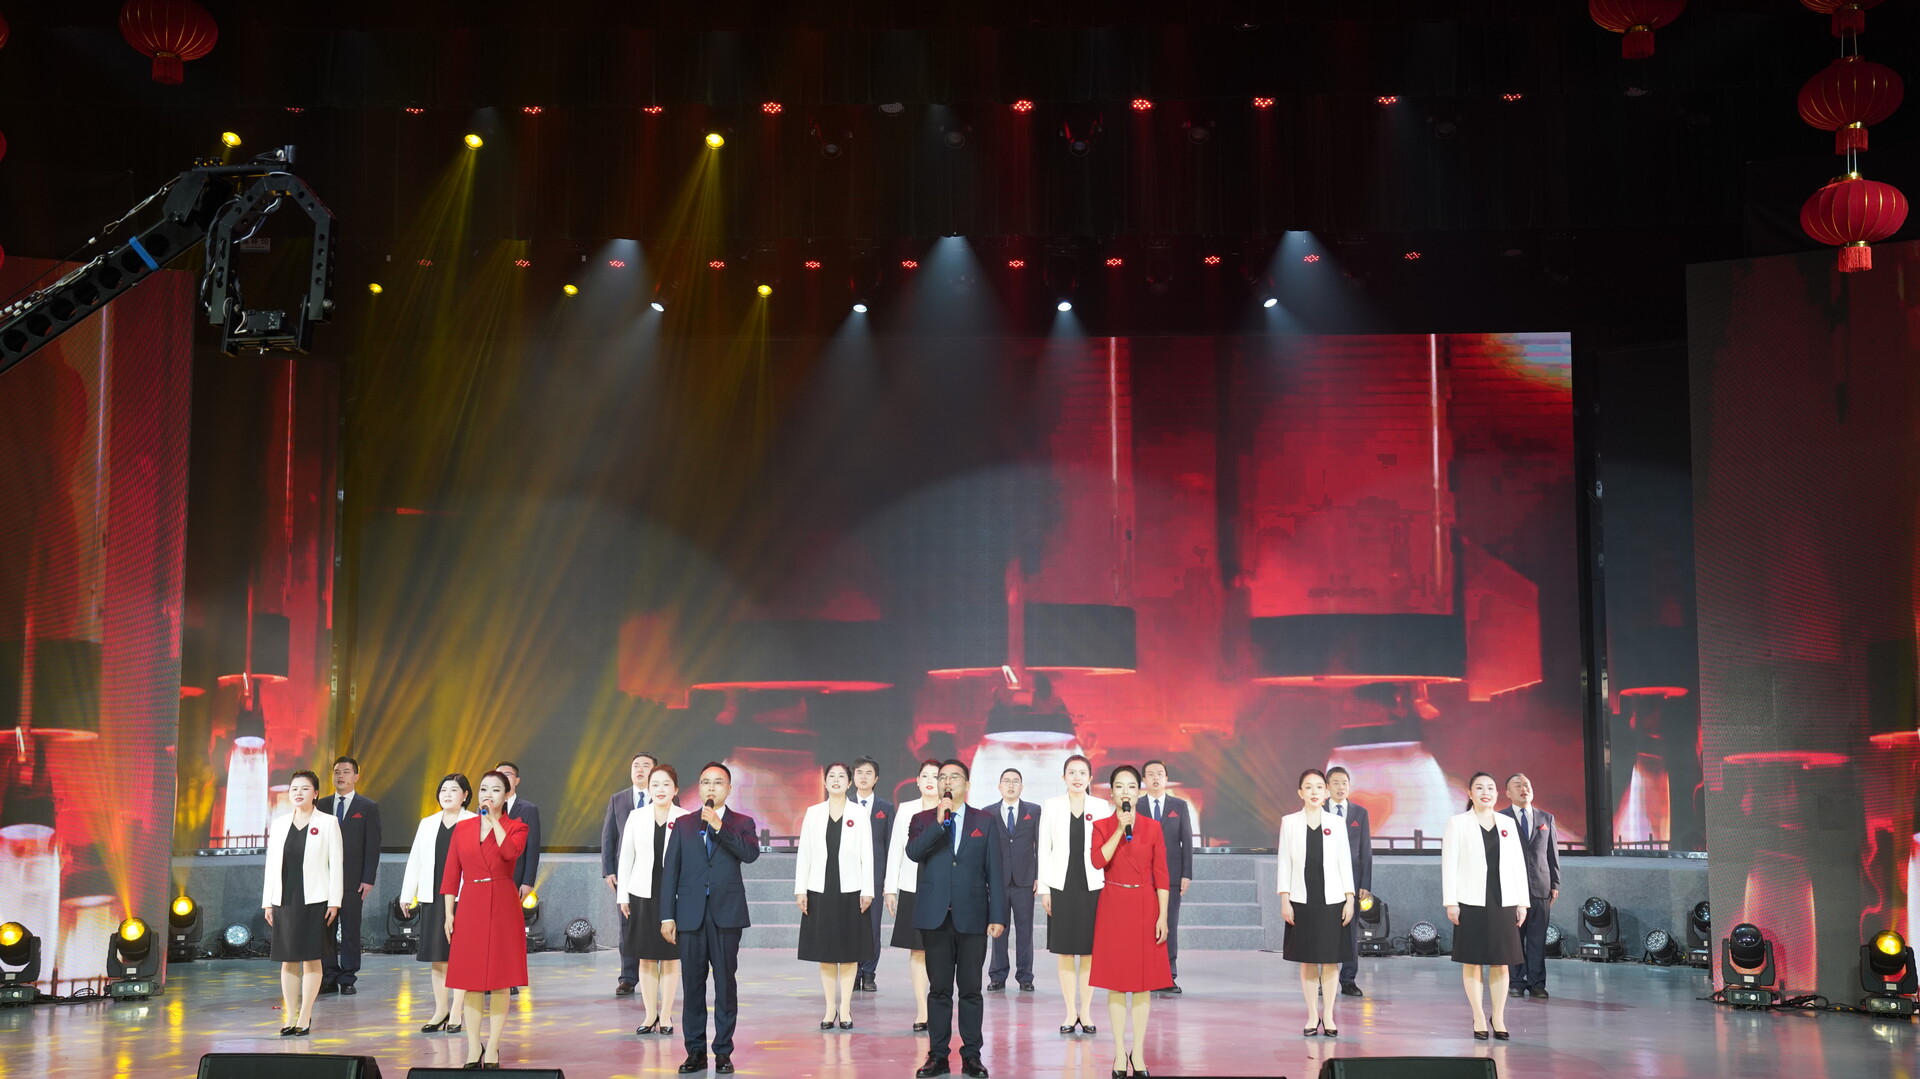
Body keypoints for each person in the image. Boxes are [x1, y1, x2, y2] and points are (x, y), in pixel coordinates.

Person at [660, 762, 760, 1076]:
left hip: (726, 915)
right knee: (692, 986)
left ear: (728, 788)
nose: (711, 788)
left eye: (718, 782)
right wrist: (667, 916)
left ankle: (723, 1052)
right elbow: (670, 872)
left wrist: (719, 826)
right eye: (705, 782)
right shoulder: (683, 824)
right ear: (699, 787)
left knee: (725, 985)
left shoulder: (742, 822)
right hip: (690, 916)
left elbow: (750, 854)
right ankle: (695, 1052)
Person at [906, 759, 1005, 1079]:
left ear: (967, 784)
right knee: (939, 990)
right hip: (935, 917)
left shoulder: (985, 821)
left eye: (954, 777)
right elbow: (914, 853)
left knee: (971, 990)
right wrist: (939, 822)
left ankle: (972, 1055)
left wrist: (998, 915)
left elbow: (995, 870)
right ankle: (937, 1056)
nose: (947, 782)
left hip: (973, 916)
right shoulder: (922, 819)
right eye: (942, 777)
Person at [442, 769, 531, 1069]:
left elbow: (510, 852)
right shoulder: (462, 828)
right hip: (470, 903)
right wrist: (448, 912)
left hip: (503, 903)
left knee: (500, 980)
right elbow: (451, 872)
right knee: (470, 981)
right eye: (483, 789)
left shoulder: (517, 826)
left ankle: (492, 1047)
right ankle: (472, 1047)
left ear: (506, 796)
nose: (487, 795)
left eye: (495, 790)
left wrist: (494, 821)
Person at [1090, 765, 1170, 1078]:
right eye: (1120, 787)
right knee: (1116, 983)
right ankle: (1119, 1053)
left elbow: (1161, 874)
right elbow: (1098, 861)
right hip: (1113, 905)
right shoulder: (1101, 826)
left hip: (1145, 905)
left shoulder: (1153, 827)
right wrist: (1118, 830)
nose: (1126, 792)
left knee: (1142, 984)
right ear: (1111, 793)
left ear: (1139, 792)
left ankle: (1138, 1051)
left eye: (1131, 786)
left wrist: (1162, 915)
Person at [1442, 771, 1529, 1041]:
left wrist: (1522, 902)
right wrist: (1451, 901)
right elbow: (1449, 865)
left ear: (1497, 793)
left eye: (1490, 788)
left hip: (1504, 900)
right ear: (1470, 794)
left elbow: (1518, 865)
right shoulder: (1458, 823)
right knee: (1473, 961)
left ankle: (1498, 1017)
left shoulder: (1507, 823)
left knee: (1502, 962)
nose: (1485, 792)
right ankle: (1479, 1015)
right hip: (1471, 901)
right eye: (1479, 788)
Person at [262, 769, 343, 1037]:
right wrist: (268, 902)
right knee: (288, 959)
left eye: (305, 788)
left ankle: (305, 1014)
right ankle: (290, 1014)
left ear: (316, 793)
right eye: (294, 788)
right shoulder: (279, 824)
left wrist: (335, 901)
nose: (298, 793)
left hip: (315, 899)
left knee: (311, 958)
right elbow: (271, 866)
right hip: (284, 898)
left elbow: (337, 864)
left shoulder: (328, 822)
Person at [1276, 768, 1356, 1038]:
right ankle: (1312, 1015)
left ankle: (1329, 1016)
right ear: (1300, 793)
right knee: (1308, 960)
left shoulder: (1337, 823)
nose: (1314, 792)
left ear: (1326, 792)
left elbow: (1345, 862)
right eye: (1308, 787)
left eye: (1319, 787)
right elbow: (1284, 862)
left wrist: (1349, 898)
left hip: (1332, 900)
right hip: (1302, 900)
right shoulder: (1289, 822)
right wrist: (1285, 899)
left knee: (1331, 960)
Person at [795, 762, 875, 1029]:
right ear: (825, 782)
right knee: (826, 951)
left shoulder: (859, 813)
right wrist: (801, 889)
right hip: (820, 889)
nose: (836, 780)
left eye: (842, 776)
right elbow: (804, 853)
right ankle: (830, 1009)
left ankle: (846, 1008)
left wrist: (867, 890)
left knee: (850, 951)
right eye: (832, 776)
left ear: (849, 783)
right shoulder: (813, 812)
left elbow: (867, 854)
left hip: (851, 889)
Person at [1039, 753, 1111, 1034]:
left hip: (1093, 885)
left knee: (1090, 952)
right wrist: (1044, 888)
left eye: (1082, 773)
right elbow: (1044, 848)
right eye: (1072, 772)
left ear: (1090, 778)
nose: (1077, 778)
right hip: (1061, 885)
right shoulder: (1052, 805)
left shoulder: (1101, 806)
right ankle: (1070, 1012)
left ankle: (1087, 1012)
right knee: (1066, 951)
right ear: (1063, 777)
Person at [399, 773, 475, 1035]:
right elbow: (415, 860)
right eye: (443, 790)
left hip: (464, 896)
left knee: (459, 956)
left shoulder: (474, 821)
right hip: (433, 895)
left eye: (453, 790)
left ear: (465, 795)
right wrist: (407, 894)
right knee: (437, 956)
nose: (447, 795)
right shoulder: (428, 823)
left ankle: (457, 1011)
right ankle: (440, 1010)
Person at [620, 764, 690, 1036]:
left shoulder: (686, 818)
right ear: (648, 789)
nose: (660, 789)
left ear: (676, 789)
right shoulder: (636, 816)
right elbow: (626, 857)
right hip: (642, 894)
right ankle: (650, 1015)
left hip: (675, 895)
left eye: (666, 784)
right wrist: (623, 895)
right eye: (655, 784)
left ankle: (667, 1014)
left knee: (671, 957)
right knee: (647, 957)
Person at [884, 759, 943, 1029]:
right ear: (917, 781)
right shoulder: (906, 810)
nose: (930, 781)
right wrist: (890, 888)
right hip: (911, 886)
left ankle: (939, 1005)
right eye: (925, 776)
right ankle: (922, 1010)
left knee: (941, 951)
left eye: (936, 776)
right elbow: (896, 849)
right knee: (917, 949)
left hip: (942, 888)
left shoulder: (951, 809)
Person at [315, 756, 382, 995]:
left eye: (346, 771)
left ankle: (348, 978)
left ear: (356, 777)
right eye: (336, 772)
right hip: (324, 880)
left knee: (351, 930)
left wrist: (368, 878)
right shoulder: (321, 805)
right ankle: (328, 977)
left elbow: (372, 846)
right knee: (325, 930)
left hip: (353, 881)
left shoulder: (367, 807)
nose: (340, 776)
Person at [1500, 772, 1560, 1000]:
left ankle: (1537, 983)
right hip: (1511, 888)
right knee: (1514, 938)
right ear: (1508, 793)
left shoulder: (1546, 818)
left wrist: (1555, 882)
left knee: (1537, 939)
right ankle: (1516, 982)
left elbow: (1552, 853)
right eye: (1517, 785)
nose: (1524, 788)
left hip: (1540, 887)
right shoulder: (1500, 818)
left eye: (1527, 784)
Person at [602, 752, 657, 996]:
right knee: (627, 925)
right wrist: (609, 871)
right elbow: (608, 837)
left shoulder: (664, 797)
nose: (640, 769)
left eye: (646, 765)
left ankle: (654, 974)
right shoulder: (618, 799)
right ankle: (628, 977)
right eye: (636, 765)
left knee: (655, 923)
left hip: (656, 872)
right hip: (625, 874)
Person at [1138, 761, 1192, 994]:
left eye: (1159, 774)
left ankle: (1168, 976)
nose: (1155, 778)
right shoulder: (1136, 806)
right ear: (1144, 780)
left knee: (1169, 924)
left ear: (1166, 778)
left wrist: (1186, 874)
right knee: (1144, 926)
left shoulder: (1179, 806)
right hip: (1142, 876)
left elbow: (1186, 841)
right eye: (1150, 774)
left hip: (1171, 876)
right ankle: (1145, 974)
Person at [987, 767, 1040, 993]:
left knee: (1025, 931)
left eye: (1015, 781)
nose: (1011, 785)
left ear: (1022, 786)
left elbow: (1040, 845)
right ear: (999, 786)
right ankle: (997, 976)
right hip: (998, 881)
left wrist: (1038, 876)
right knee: (998, 930)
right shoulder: (988, 813)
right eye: (1006, 781)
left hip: (1024, 880)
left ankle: (1025, 976)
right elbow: (985, 850)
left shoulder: (1034, 811)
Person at [1324, 766, 1372, 997]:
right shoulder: (1319, 810)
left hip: (1351, 881)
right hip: (1324, 879)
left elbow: (1365, 850)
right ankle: (1324, 980)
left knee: (1351, 932)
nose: (1341, 787)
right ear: (1327, 787)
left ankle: (1348, 980)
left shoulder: (1359, 813)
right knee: (1325, 931)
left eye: (1344, 783)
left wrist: (1365, 884)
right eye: (1336, 783)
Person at [496, 760, 540, 996]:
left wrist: (528, 881)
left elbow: (532, 848)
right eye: (498, 774)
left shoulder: (528, 809)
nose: (503, 777)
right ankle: (491, 976)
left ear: (517, 780)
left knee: (510, 930)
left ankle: (509, 977)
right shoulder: (485, 809)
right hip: (490, 879)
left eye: (508, 773)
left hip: (515, 879)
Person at [851, 757, 893, 993]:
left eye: (868, 773)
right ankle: (853, 972)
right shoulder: (845, 804)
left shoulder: (885, 808)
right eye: (859, 772)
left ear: (876, 778)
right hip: (849, 876)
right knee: (852, 926)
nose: (863, 777)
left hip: (876, 877)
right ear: (853, 777)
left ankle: (869, 973)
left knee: (872, 928)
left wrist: (888, 880)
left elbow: (889, 845)